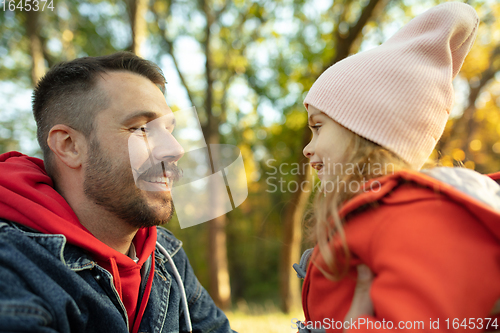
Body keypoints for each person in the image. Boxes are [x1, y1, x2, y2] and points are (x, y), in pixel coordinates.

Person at [297, 2, 500, 332]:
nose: (308, 149)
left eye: (318, 127)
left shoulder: (408, 220)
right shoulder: (376, 214)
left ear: (363, 128)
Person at [0, 52, 235, 333]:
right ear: (69, 145)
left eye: (169, 129)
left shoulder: (165, 255)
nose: (175, 149)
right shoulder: (12, 264)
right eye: (141, 128)